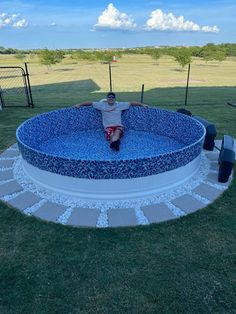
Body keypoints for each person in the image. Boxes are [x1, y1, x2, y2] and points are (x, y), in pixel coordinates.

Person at [75, 92, 148, 151]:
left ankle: (113, 144)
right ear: (107, 99)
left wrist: (142, 105)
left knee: (117, 132)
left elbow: (131, 103)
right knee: (111, 134)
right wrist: (80, 104)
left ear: (115, 99)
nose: (111, 98)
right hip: (108, 127)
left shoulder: (119, 105)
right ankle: (115, 144)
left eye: (112, 97)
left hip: (118, 126)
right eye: (109, 97)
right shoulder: (102, 105)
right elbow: (90, 103)